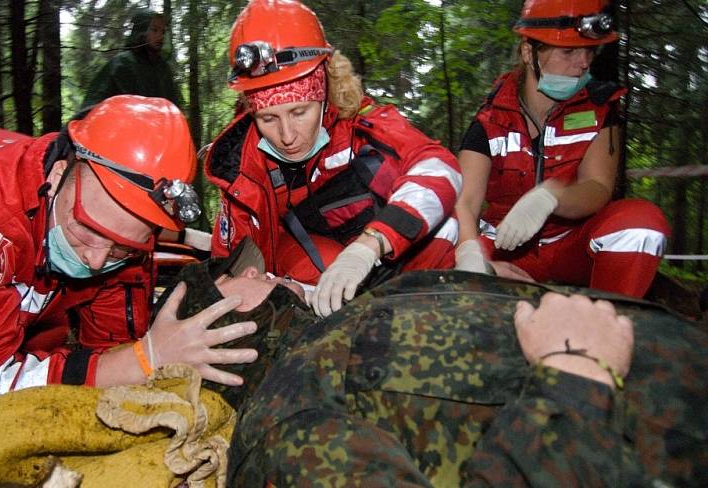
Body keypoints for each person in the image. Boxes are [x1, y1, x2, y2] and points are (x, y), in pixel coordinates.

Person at [0, 95, 259, 404]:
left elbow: (108, 350)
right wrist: (146, 358)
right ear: (58, 174)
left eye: (119, 249)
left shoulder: (123, 238)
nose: (95, 261)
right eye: (87, 230)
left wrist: (137, 359)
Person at [224, 269, 708, 486]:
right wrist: (574, 379)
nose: (258, 271)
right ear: (223, 338)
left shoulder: (347, 318)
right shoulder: (282, 422)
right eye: (233, 278)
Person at [205, 0, 462, 317]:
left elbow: (439, 169)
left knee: (445, 225)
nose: (287, 136)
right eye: (268, 119)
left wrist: (370, 245)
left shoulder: (364, 128)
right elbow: (226, 270)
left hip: (412, 285)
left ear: (325, 90)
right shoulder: (243, 173)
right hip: (309, 302)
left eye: (299, 112)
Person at [454, 0, 670, 298]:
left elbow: (597, 186)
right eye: (568, 51)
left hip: (572, 246)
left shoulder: (599, 109)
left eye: (589, 51)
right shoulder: (490, 121)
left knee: (640, 225)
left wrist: (552, 197)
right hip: (505, 245)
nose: (582, 62)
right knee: (439, 244)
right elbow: (465, 202)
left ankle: (606, 325)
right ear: (529, 53)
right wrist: (471, 257)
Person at [81, 10, 181, 110]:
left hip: (159, 125)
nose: (160, 36)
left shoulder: (163, 69)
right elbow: (94, 105)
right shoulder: (121, 63)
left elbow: (173, 110)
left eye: (163, 32)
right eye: (154, 30)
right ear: (141, 31)